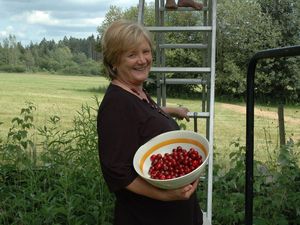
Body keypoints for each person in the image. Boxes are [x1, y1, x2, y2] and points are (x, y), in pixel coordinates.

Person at [97, 19, 203, 225]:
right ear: (113, 62)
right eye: (131, 54)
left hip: (174, 213)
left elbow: (143, 117)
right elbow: (116, 171)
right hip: (148, 217)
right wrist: (165, 195)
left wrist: (172, 110)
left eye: (146, 51)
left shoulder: (136, 92)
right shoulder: (116, 104)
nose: (142, 60)